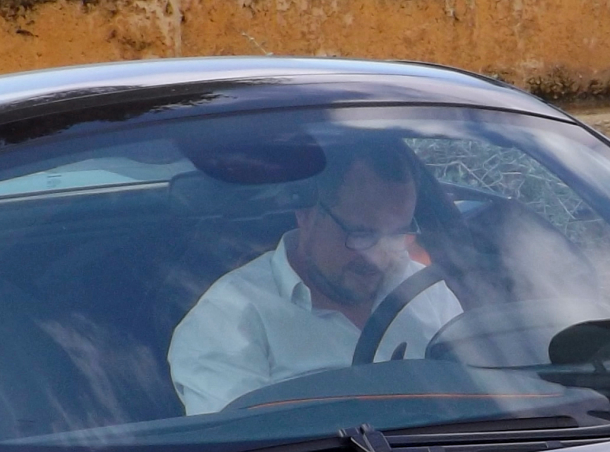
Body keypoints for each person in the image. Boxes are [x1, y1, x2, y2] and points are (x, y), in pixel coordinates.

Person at [168, 137, 463, 415]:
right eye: (361, 234)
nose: (379, 257)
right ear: (306, 214)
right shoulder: (228, 322)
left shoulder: (425, 290)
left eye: (396, 233)